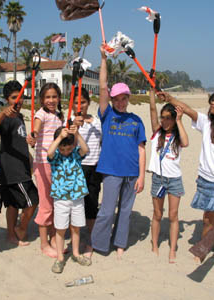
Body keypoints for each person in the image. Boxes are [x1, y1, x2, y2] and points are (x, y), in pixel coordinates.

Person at [157, 89, 214, 261]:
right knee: (211, 221)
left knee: (207, 221)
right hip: (204, 181)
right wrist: (169, 98)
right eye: (212, 99)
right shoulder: (207, 123)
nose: (212, 102)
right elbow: (187, 109)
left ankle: (203, 251)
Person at [90, 45, 147, 259]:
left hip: (132, 173)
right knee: (106, 210)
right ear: (112, 100)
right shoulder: (107, 115)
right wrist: (103, 59)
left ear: (128, 98)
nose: (121, 102)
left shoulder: (136, 121)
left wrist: (141, 176)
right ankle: (98, 245)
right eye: (117, 99)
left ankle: (120, 243)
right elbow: (103, 87)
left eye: (124, 98)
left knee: (125, 211)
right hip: (111, 171)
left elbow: (141, 150)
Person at [0, 81, 39, 246]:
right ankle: (21, 229)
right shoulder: (7, 117)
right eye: (13, 98)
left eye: (20, 98)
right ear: (6, 99)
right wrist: (4, 113)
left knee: (12, 204)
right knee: (33, 199)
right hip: (12, 170)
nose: (17, 101)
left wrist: (29, 157)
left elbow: (19, 141)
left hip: (21, 168)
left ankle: (11, 234)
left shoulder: (19, 116)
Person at [148, 89, 189, 263]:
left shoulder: (178, 136)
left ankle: (172, 250)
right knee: (157, 214)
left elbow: (186, 143)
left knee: (173, 215)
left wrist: (179, 120)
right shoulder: (157, 133)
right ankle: (155, 245)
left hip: (174, 180)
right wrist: (151, 94)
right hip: (158, 179)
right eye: (162, 117)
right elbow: (151, 111)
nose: (164, 121)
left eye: (168, 118)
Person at [26, 82, 64, 258]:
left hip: (57, 163)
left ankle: (54, 237)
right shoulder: (40, 114)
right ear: (42, 99)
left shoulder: (58, 115)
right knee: (46, 204)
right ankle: (43, 244)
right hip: (43, 163)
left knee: (56, 202)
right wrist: (33, 136)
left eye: (54, 96)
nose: (51, 100)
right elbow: (36, 128)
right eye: (47, 97)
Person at [47, 125, 91, 273]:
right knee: (60, 228)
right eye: (63, 148)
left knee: (76, 227)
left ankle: (76, 253)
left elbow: (85, 149)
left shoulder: (75, 155)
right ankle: (60, 257)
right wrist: (59, 137)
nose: (65, 152)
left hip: (77, 196)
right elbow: (50, 152)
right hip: (61, 198)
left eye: (68, 148)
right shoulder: (56, 157)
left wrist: (77, 134)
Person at [71, 87, 102, 257]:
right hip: (76, 167)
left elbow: (102, 140)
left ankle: (91, 240)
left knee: (91, 204)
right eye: (76, 102)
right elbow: (67, 145)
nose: (79, 105)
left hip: (94, 167)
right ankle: (75, 239)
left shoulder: (97, 121)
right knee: (75, 205)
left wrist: (88, 122)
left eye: (82, 102)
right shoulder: (70, 120)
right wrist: (74, 127)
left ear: (88, 103)